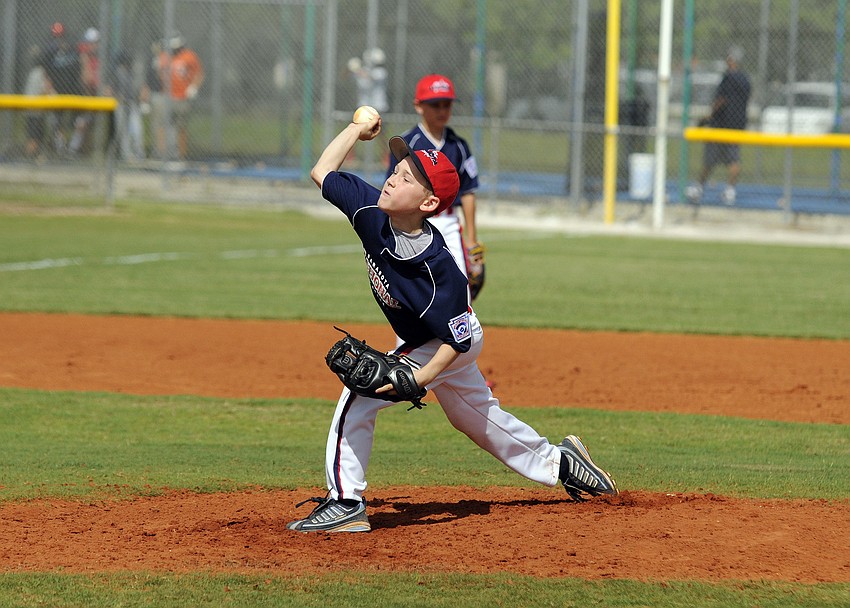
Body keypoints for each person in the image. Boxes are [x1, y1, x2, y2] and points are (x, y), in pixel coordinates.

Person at [286, 115, 619, 534]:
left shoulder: (438, 268)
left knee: (358, 396)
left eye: (406, 178)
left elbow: (458, 337)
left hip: (447, 340)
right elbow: (322, 172)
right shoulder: (369, 209)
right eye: (396, 170)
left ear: (427, 204)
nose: (392, 179)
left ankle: (346, 502)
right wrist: (356, 130)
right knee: (476, 420)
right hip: (432, 338)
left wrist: (419, 378)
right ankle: (563, 463)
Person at [385, 74, 481, 300]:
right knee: (412, 294)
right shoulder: (407, 143)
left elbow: (468, 193)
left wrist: (472, 239)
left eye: (446, 104)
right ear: (418, 106)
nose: (442, 110)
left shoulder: (459, 146)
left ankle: (459, 335)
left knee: (460, 291)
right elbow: (394, 187)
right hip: (414, 223)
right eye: (435, 104)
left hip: (448, 223)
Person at [686, 46, 752, 206]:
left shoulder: (729, 78)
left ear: (731, 60)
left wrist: (709, 115)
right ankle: (730, 190)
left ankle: (699, 188)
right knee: (733, 160)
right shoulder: (746, 80)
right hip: (737, 125)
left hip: (722, 124)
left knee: (710, 159)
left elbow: (722, 99)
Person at [158, 33, 204, 160]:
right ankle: (163, 155)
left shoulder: (189, 56)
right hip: (167, 97)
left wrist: (193, 87)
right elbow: (160, 73)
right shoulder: (164, 56)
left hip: (183, 98)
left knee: (181, 127)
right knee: (163, 126)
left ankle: (181, 156)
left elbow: (199, 74)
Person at [41, 22, 82, 154]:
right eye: (56, 36)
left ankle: (72, 149)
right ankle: (60, 148)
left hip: (73, 89)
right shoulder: (48, 51)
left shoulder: (72, 49)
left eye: (60, 36)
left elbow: (79, 69)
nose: (58, 40)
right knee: (56, 120)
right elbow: (45, 71)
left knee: (80, 119)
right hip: (57, 90)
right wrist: (48, 84)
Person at [109, 49, 145, 161]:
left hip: (132, 103)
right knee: (123, 131)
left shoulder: (133, 72)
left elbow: (139, 89)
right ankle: (127, 154)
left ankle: (139, 153)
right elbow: (110, 90)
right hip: (120, 104)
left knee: (137, 129)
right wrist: (117, 97)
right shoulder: (117, 73)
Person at [23, 46, 49, 158]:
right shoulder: (41, 73)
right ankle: (30, 156)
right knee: (35, 135)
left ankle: (30, 155)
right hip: (36, 109)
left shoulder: (33, 72)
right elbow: (44, 90)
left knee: (32, 133)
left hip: (29, 108)